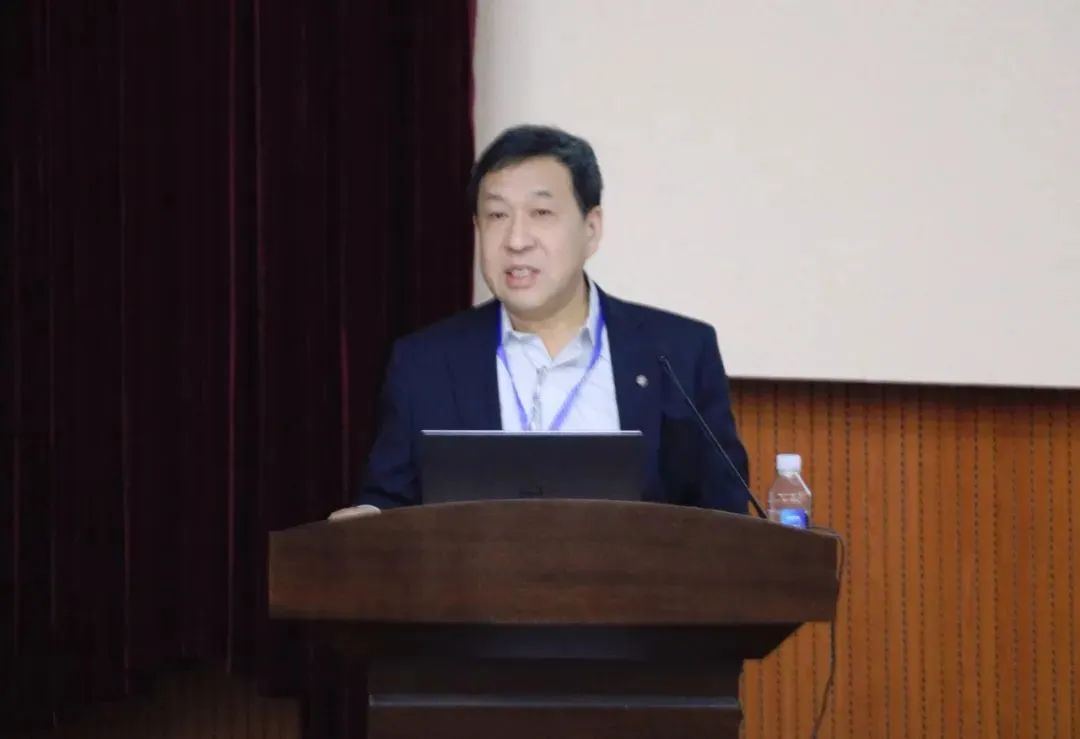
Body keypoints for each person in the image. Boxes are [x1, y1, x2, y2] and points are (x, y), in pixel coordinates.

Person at [330, 124, 749, 521]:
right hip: (473, 577)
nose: (516, 240)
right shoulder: (425, 363)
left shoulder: (677, 354)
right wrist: (369, 520)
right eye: (497, 216)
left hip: (638, 576)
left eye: (541, 212)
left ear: (591, 229)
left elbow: (725, 517)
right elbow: (388, 505)